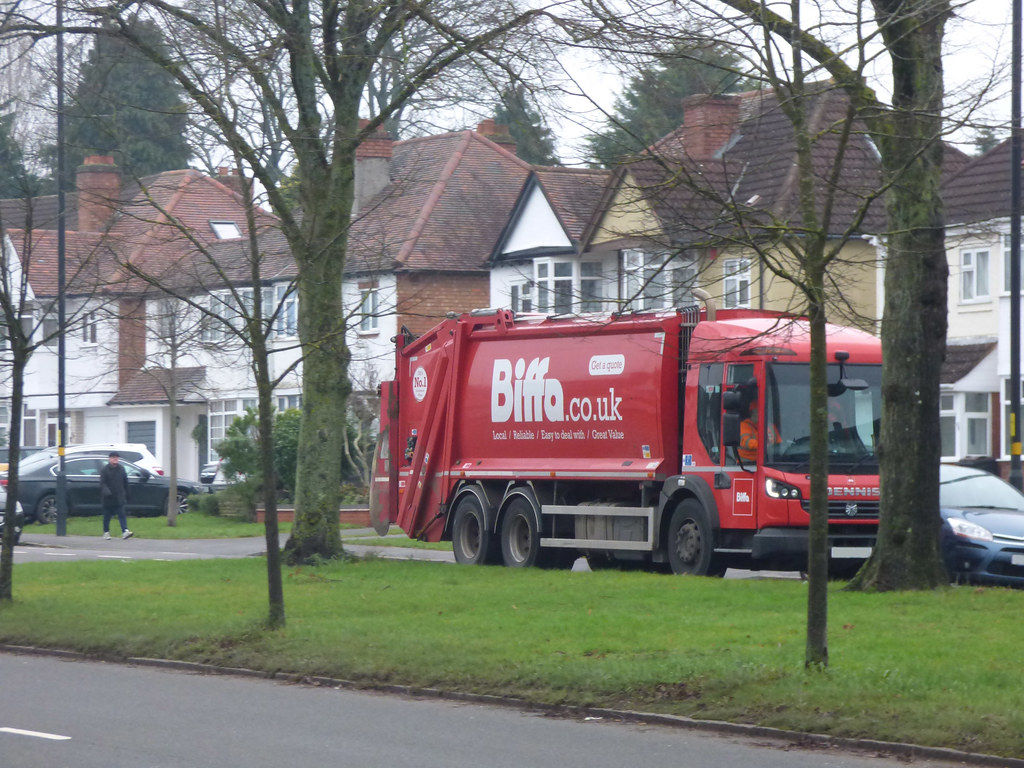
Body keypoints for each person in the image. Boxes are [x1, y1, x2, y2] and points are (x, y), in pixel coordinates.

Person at [100, 451, 132, 540]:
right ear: (109, 459)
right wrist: (107, 492)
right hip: (108, 498)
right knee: (107, 516)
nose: (115, 459)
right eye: (113, 457)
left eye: (117, 457)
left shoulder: (121, 469)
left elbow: (125, 482)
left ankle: (125, 531)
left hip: (119, 497)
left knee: (122, 514)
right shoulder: (105, 470)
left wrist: (127, 493)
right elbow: (102, 483)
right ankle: (106, 532)